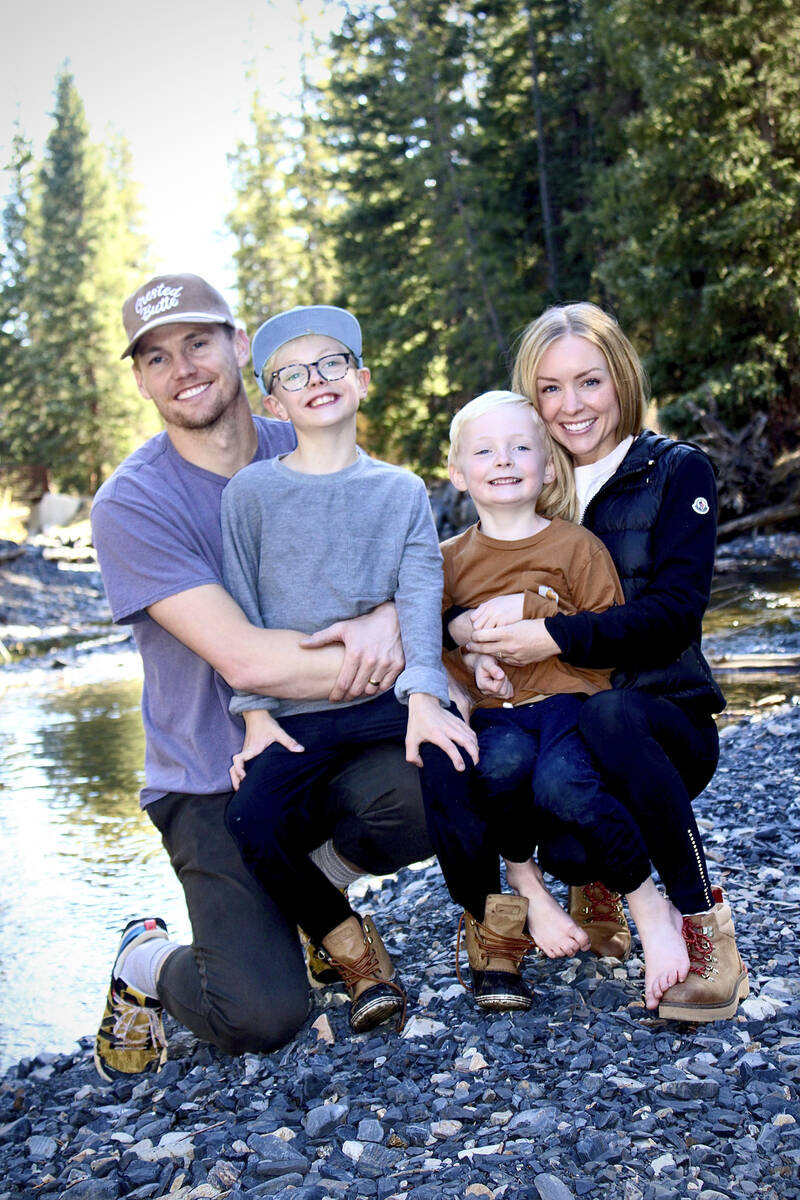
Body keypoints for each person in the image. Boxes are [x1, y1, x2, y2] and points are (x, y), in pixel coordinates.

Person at [89, 274, 435, 1080]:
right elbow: (245, 660)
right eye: (157, 356)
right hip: (211, 775)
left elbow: (411, 553)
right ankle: (143, 960)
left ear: (241, 347)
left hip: (324, 743)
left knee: (433, 780)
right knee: (262, 1016)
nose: (183, 368)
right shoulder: (133, 504)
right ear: (141, 379)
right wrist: (400, 649)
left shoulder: (306, 436)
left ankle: (312, 893)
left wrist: (395, 618)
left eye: (199, 342)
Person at [458, 302, 748, 1022]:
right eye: (550, 389)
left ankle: (705, 931)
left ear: (620, 378)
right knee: (559, 826)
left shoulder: (678, 472)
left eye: (588, 382)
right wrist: (467, 636)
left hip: (660, 720)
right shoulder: (530, 476)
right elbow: (463, 581)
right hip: (561, 725)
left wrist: (551, 635)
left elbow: (676, 613)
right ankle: (595, 886)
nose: (571, 405)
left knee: (612, 717)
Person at [219, 303, 480, 1034]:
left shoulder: (398, 490)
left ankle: (491, 933)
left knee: (453, 755)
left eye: (332, 363)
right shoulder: (252, 495)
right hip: (298, 711)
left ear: (361, 381)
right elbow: (239, 606)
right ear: (274, 402)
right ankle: (350, 947)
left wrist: (428, 695)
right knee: (251, 816)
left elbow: (420, 591)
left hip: (382, 699)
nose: (317, 380)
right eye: (293, 374)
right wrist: (257, 717)